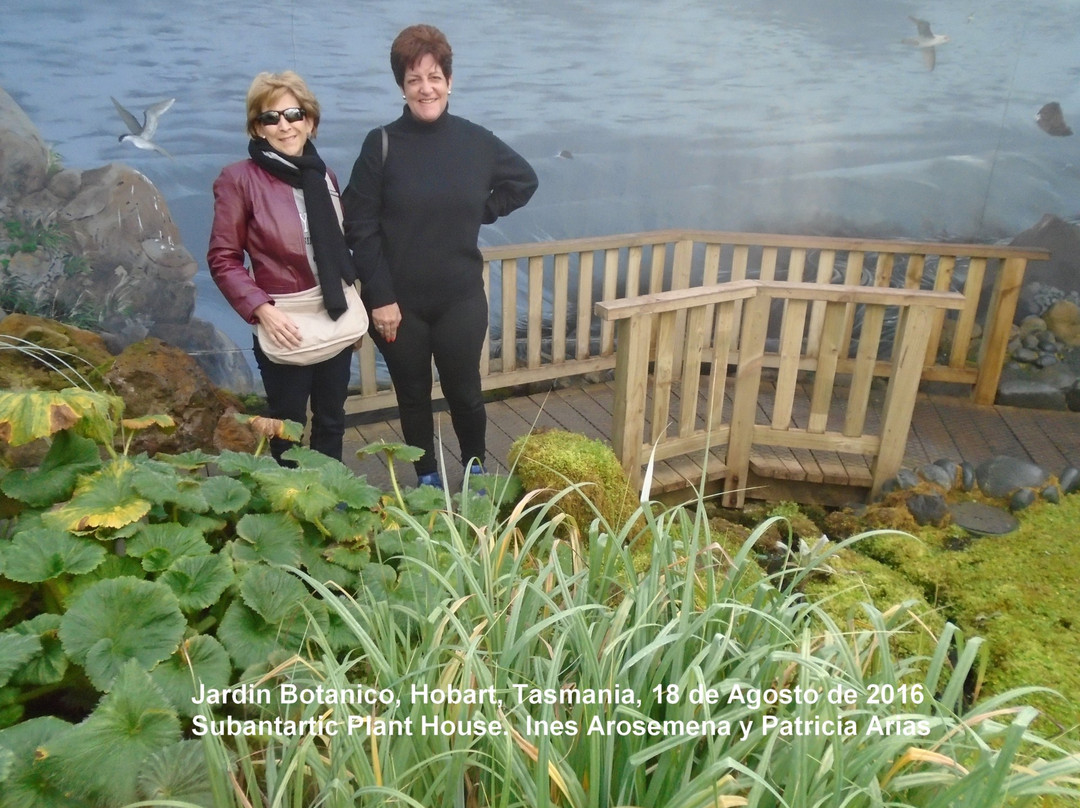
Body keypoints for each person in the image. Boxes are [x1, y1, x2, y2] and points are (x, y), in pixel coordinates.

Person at [343, 24, 538, 487]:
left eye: (434, 77)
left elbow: (524, 182)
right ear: (402, 88)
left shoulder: (477, 142)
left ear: (449, 81)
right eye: (414, 80)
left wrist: (481, 211)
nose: (425, 88)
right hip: (398, 305)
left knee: (466, 394)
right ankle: (428, 478)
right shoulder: (382, 145)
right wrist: (382, 296)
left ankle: (474, 473)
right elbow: (359, 225)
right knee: (411, 396)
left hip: (459, 298)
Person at [208, 71, 363, 463]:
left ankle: (330, 500)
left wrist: (350, 300)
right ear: (257, 128)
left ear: (309, 121)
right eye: (270, 117)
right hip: (284, 318)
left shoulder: (324, 175)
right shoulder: (238, 179)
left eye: (293, 114)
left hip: (333, 311)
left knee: (331, 419)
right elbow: (223, 258)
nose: (284, 125)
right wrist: (262, 309)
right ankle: (292, 508)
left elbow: (339, 250)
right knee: (287, 426)